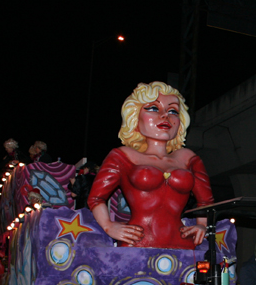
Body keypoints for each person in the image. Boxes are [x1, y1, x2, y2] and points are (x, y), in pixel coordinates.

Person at [87, 81, 213, 250]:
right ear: (134, 115)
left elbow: (207, 202)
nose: (165, 115)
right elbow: (96, 198)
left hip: (183, 245)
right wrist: (109, 226)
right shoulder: (123, 156)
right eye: (153, 108)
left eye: (173, 111)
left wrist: (202, 225)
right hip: (136, 244)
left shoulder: (189, 158)